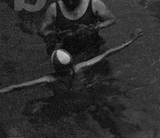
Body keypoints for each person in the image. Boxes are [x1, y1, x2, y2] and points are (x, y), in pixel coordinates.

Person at [0, 32, 141, 95]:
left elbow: (16, 87)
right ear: (72, 61)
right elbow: (107, 53)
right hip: (82, 89)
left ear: (54, 66)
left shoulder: (49, 79)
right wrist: (131, 41)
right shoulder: (80, 67)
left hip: (64, 94)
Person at [39, 0, 117, 59]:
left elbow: (111, 19)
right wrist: (54, 37)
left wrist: (96, 27)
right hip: (68, 51)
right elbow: (43, 30)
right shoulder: (54, 8)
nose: (70, 3)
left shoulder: (94, 3)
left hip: (93, 47)